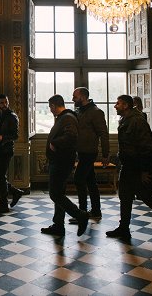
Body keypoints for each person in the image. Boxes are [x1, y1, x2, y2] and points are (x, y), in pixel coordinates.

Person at [106, 94, 152, 241]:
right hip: (128, 167)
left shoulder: (138, 121)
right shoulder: (126, 120)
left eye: (117, 103)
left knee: (148, 197)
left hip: (139, 168)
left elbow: (147, 148)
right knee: (124, 197)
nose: (115, 106)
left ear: (125, 105)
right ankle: (124, 228)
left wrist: (145, 171)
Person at [41, 95, 89, 237]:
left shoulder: (67, 117)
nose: (50, 110)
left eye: (50, 107)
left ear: (54, 106)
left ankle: (80, 215)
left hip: (62, 161)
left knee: (55, 194)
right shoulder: (64, 117)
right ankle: (58, 225)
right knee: (59, 194)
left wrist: (55, 143)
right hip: (60, 160)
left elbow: (71, 136)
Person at [71, 87, 110, 222]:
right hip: (81, 152)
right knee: (91, 182)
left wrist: (105, 154)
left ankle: (82, 214)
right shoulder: (79, 111)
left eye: (75, 97)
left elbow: (103, 134)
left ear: (83, 97)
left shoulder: (96, 112)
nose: (73, 99)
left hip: (89, 152)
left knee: (78, 179)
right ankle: (95, 211)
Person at [0, 94, 25, 213]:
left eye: (6, 102)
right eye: (2, 103)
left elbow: (15, 135)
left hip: (6, 150)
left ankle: (4, 204)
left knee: (0, 176)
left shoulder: (12, 116)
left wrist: (3, 137)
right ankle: (15, 191)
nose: (4, 105)